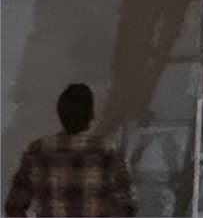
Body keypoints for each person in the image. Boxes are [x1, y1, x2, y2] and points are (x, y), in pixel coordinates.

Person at [4, 84, 135, 217]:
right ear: (91, 116)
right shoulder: (106, 152)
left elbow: (14, 206)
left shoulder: (38, 151)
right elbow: (126, 207)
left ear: (60, 113)